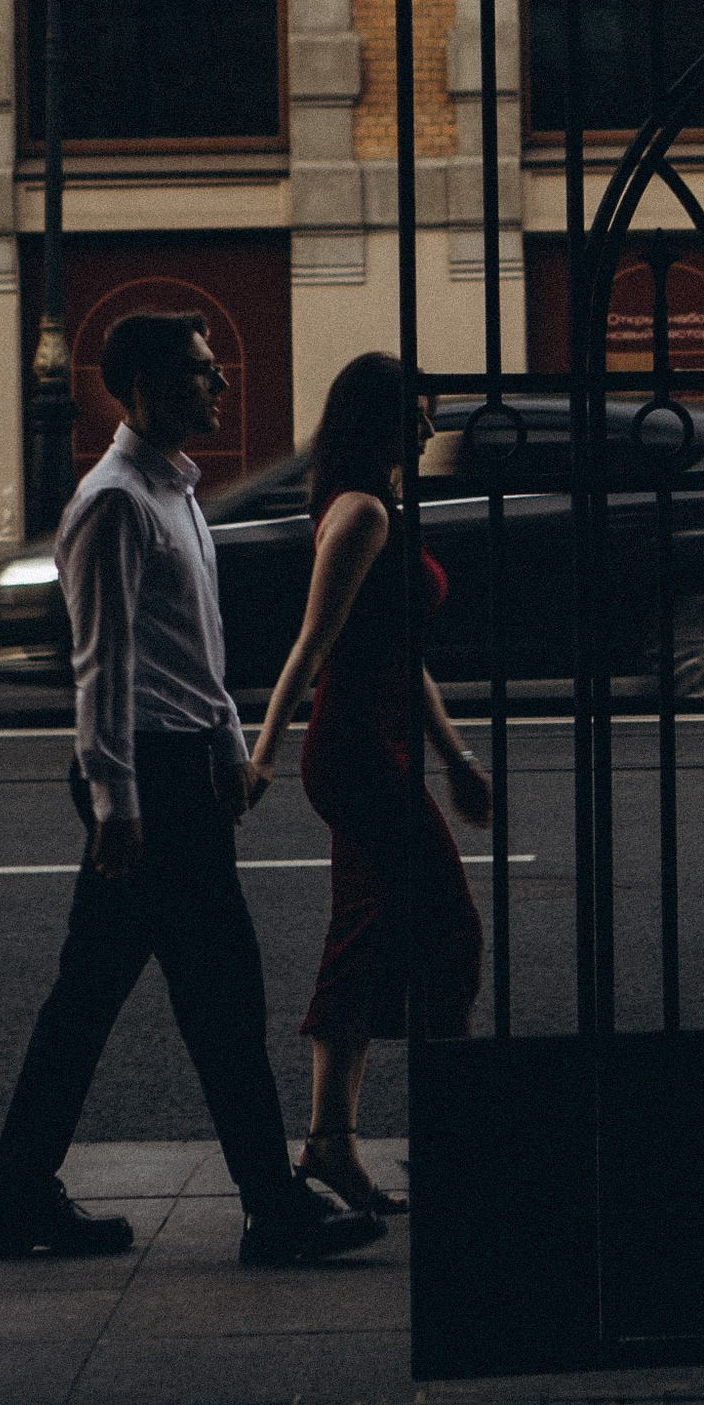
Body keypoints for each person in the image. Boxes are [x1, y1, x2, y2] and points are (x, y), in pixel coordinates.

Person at [0, 311, 379, 1268]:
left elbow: (194, 651)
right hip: (150, 784)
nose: (220, 385)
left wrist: (230, 748)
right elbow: (103, 666)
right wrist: (117, 805)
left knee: (89, 999)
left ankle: (19, 1200)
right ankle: (274, 1211)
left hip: (182, 769)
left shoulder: (176, 493)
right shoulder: (114, 503)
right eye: (201, 373)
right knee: (223, 995)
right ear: (147, 388)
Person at [249, 352, 488, 1216]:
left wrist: (455, 758)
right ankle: (448, 1135)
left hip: (377, 746)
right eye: (417, 413)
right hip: (354, 752)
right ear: (378, 419)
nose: (430, 427)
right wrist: (263, 754)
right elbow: (312, 646)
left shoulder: (378, 508)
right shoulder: (361, 515)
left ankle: (330, 1144)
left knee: (363, 936)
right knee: (451, 931)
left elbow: (401, 653)